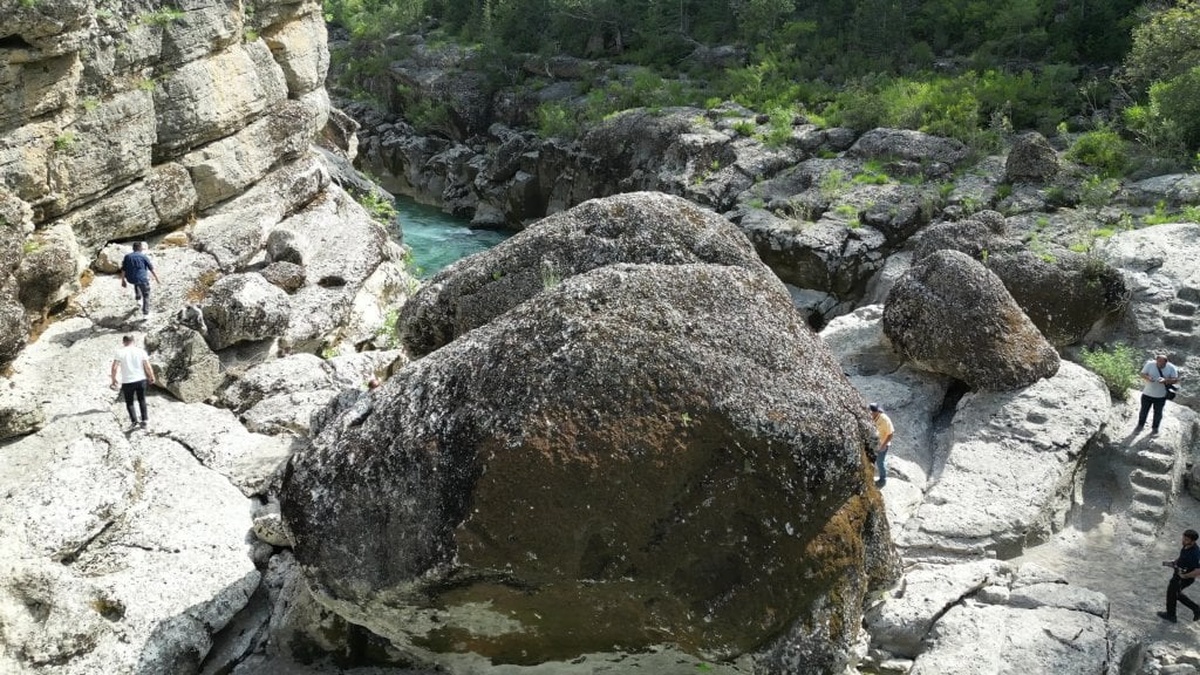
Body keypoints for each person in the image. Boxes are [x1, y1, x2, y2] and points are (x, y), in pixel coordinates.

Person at [110, 334, 155, 428]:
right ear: (133, 341)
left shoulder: (120, 352)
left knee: (129, 402)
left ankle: (134, 421)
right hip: (141, 380)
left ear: (124, 342)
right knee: (142, 399)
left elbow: (114, 367)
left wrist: (114, 379)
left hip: (127, 381)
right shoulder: (141, 351)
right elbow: (147, 365)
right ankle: (145, 420)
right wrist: (151, 376)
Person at [1158, 528, 1200, 623]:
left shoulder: (1194, 554)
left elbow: (1198, 571)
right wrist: (1174, 563)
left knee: (1172, 593)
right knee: (1174, 593)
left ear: (1193, 541)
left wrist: (1185, 576)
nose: (1183, 541)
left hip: (1184, 577)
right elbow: (1182, 557)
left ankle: (1171, 615)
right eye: (1183, 538)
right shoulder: (1186, 546)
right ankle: (1195, 609)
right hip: (1178, 573)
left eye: (1186, 540)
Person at [1136, 353, 1179, 435]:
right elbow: (1142, 374)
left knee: (1158, 413)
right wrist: (1148, 378)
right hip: (1147, 393)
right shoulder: (1150, 364)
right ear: (1156, 361)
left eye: (1162, 364)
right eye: (1158, 362)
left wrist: (1165, 380)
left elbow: (1175, 380)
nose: (1159, 365)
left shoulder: (1171, 368)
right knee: (1143, 411)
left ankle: (1155, 428)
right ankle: (1140, 425)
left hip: (1161, 396)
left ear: (1166, 363)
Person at [120, 241, 159, 318]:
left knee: (136, 282)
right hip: (142, 279)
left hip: (130, 279)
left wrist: (123, 281)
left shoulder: (127, 257)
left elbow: (123, 269)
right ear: (140, 248)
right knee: (146, 294)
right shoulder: (143, 256)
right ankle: (146, 313)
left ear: (133, 248)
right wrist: (157, 278)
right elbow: (151, 269)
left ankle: (138, 300)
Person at [869, 403, 894, 488]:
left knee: (880, 462)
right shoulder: (870, 417)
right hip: (873, 443)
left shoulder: (884, 420)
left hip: (882, 444)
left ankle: (883, 479)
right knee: (871, 460)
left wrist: (883, 445)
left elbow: (890, 434)